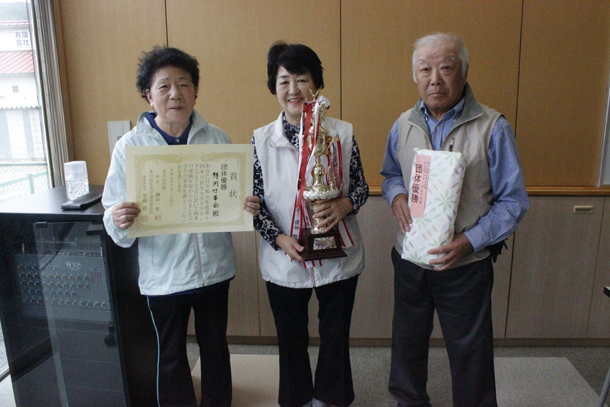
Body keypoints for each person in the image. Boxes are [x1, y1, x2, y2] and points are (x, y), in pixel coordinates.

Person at [102, 46, 259, 407]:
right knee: (171, 355)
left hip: (214, 269)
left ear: (196, 91)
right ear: (149, 95)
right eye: (164, 86)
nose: (176, 94)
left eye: (184, 84)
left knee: (216, 347)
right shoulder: (130, 147)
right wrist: (118, 218)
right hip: (165, 274)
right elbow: (111, 212)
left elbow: (233, 197)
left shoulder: (216, 138)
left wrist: (245, 205)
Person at [381, 33, 529, 407]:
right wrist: (397, 195)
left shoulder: (493, 127)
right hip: (411, 260)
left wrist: (471, 240)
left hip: (465, 264)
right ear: (415, 76)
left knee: (471, 355)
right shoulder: (403, 124)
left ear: (463, 72)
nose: (435, 78)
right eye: (425, 69)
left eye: (446, 68)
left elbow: (513, 202)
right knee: (407, 347)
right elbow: (391, 174)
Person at [252, 41, 369, 407]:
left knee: (335, 335)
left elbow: (362, 187)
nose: (293, 90)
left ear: (316, 84)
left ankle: (332, 398)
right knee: (290, 337)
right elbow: (256, 205)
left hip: (338, 255)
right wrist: (279, 239)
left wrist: (344, 204)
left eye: (302, 79)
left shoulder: (342, 133)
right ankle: (297, 398)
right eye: (284, 80)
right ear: (274, 87)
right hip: (285, 257)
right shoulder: (259, 140)